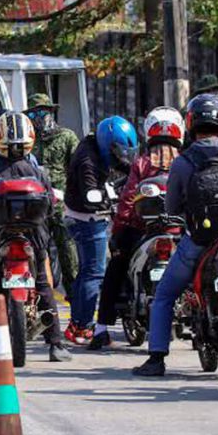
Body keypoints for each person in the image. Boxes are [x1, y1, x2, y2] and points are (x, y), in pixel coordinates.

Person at [133, 94, 218, 376]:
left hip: (198, 241)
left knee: (163, 296)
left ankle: (157, 358)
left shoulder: (183, 162)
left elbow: (173, 207)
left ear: (190, 123)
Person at [0, 112, 72, 362]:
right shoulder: (36, 171)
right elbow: (52, 206)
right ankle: (56, 343)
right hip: (34, 238)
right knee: (43, 283)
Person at [90, 107, 184, 350]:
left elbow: (128, 199)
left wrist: (118, 230)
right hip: (180, 231)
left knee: (116, 266)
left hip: (141, 231)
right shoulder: (186, 162)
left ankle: (101, 328)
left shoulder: (142, 163)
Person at [63, 115, 139, 344]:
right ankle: (83, 326)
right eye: (117, 149)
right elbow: (89, 195)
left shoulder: (96, 146)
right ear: (108, 143)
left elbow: (119, 162)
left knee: (87, 271)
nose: (119, 154)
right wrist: (109, 204)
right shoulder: (87, 160)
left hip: (82, 215)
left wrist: (137, 171)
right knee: (94, 273)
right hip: (87, 218)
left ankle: (77, 322)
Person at [26, 92, 80, 298]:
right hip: (34, 205)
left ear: (51, 113)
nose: (38, 118)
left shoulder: (66, 137)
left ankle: (75, 298)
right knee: (36, 253)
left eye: (42, 112)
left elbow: (76, 169)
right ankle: (38, 296)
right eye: (33, 114)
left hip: (60, 205)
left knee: (68, 253)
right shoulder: (28, 140)